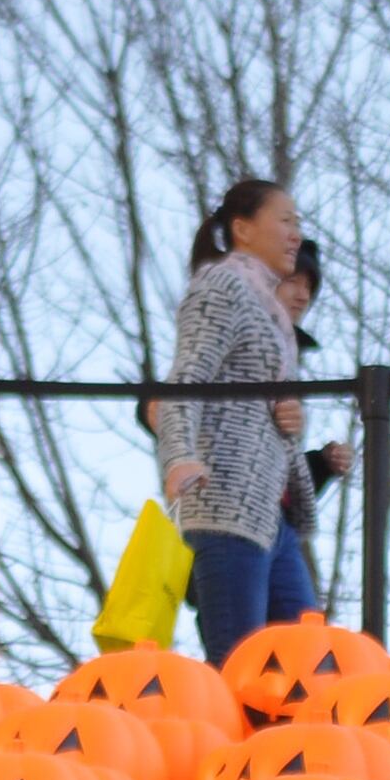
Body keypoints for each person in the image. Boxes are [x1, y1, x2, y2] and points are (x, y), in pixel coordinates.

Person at [156, 179, 308, 660]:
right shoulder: (221, 286)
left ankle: (300, 741)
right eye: (284, 220)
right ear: (242, 228)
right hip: (225, 504)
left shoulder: (270, 308)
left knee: (309, 658)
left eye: (297, 223)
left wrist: (288, 418)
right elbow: (187, 379)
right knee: (243, 667)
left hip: (271, 514)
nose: (296, 234)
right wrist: (179, 456)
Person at [269, 240, 354, 624]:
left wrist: (319, 465)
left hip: (280, 524)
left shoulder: (288, 366)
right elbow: (183, 388)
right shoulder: (231, 328)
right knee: (241, 646)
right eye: (293, 282)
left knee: (303, 637)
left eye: (310, 288)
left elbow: (272, 463)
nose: (303, 296)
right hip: (231, 520)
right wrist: (153, 407)